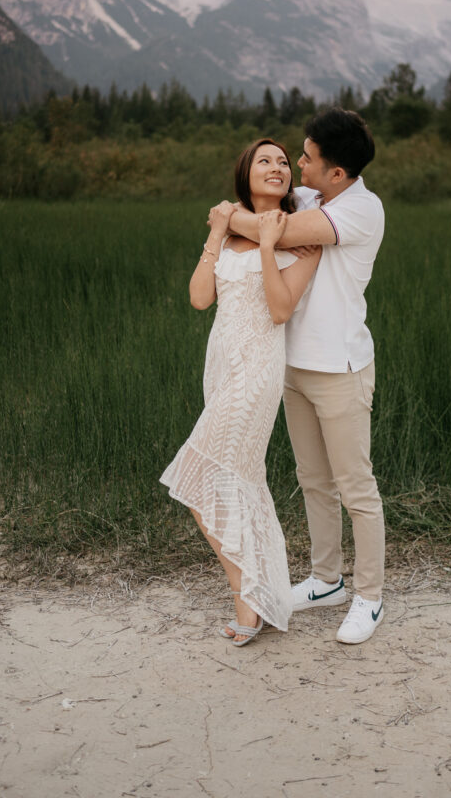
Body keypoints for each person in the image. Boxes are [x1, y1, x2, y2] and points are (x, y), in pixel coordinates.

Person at [225, 108, 385, 644]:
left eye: (308, 157)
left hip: (339, 367)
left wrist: (226, 215)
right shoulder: (315, 195)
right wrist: (249, 222)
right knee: (312, 480)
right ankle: (325, 579)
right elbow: (267, 225)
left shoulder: (361, 209)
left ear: (336, 172)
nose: (297, 162)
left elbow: (275, 227)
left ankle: (369, 597)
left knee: (355, 487)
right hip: (292, 363)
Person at [160, 139, 321, 647]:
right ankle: (265, 593)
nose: (276, 168)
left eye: (282, 162)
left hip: (258, 368)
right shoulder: (228, 230)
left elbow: (278, 311)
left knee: (197, 470)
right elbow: (199, 297)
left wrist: (271, 247)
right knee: (239, 479)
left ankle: (246, 596)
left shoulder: (302, 239)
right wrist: (215, 231)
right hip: (221, 365)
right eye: (263, 161)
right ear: (244, 173)